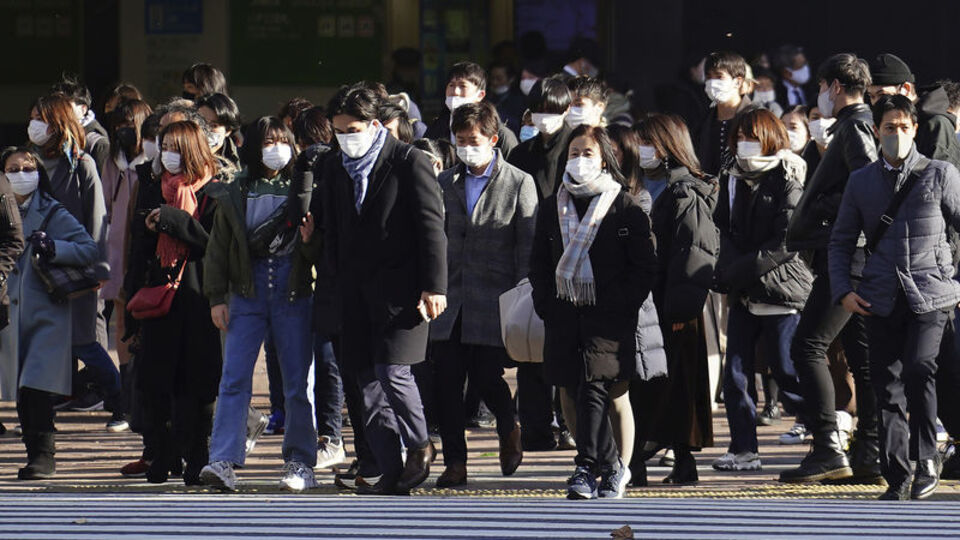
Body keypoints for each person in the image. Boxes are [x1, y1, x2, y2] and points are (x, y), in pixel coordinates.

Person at [829, 95, 960, 500]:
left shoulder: (940, 173)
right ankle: (897, 474)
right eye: (889, 127)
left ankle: (927, 459)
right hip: (879, 294)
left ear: (915, 129)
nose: (897, 134)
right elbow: (841, 240)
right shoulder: (861, 181)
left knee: (920, 368)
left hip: (931, 292)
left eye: (904, 127)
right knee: (886, 386)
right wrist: (843, 290)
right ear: (876, 130)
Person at [319, 83, 446, 495]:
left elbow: (431, 227)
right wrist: (332, 282)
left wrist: (434, 286)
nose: (346, 138)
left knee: (393, 371)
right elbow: (332, 229)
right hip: (353, 292)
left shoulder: (408, 161)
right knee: (365, 382)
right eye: (339, 131)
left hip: (402, 290)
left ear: (375, 125)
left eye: (353, 130)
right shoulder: (334, 166)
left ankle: (420, 444)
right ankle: (389, 468)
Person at [529, 124, 657, 499]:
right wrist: (546, 303)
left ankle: (589, 466)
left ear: (604, 159)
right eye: (574, 153)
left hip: (609, 318)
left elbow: (644, 266)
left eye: (588, 153)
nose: (580, 160)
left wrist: (620, 303)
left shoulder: (624, 206)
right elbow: (538, 263)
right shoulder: (552, 206)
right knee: (571, 388)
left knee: (597, 389)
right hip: (563, 314)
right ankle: (610, 465)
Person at [200, 116, 320, 492]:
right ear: (253, 147)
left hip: (294, 291)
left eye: (282, 140)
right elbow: (218, 248)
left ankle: (301, 462)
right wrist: (217, 298)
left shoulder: (305, 186)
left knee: (298, 382)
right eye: (268, 142)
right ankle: (223, 459)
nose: (276, 148)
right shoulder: (236, 188)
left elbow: (319, 249)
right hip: (245, 291)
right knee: (234, 379)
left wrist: (310, 240)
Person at [781, 53, 878, 484]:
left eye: (822, 86)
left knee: (807, 345)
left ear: (835, 86)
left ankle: (827, 448)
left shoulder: (855, 126)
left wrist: (824, 207)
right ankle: (870, 452)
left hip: (848, 256)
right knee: (861, 357)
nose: (820, 94)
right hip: (855, 254)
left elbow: (870, 183)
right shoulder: (857, 124)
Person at [430, 102, 536, 487]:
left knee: (486, 376)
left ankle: (508, 426)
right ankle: (456, 462)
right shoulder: (445, 183)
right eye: (460, 141)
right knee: (447, 380)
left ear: (492, 139)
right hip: (450, 297)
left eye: (473, 141)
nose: (466, 148)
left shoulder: (518, 182)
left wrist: (523, 291)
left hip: (495, 297)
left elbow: (527, 244)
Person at [712, 109, 813, 472]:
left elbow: (785, 241)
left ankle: (826, 431)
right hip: (743, 291)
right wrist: (729, 268)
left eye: (751, 138)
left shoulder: (788, 176)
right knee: (736, 375)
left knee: (787, 371)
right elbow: (721, 227)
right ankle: (743, 449)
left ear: (771, 138)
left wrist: (739, 269)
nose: (744, 145)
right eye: (739, 138)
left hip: (780, 289)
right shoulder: (732, 178)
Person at [125, 120, 223, 485]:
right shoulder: (155, 188)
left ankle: (197, 455)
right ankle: (162, 453)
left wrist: (174, 220)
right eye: (164, 147)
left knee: (196, 383)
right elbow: (138, 248)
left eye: (175, 149)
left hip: (198, 297)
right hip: (159, 296)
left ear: (193, 151)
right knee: (155, 380)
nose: (167, 155)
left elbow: (213, 244)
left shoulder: (215, 191)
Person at [27, 94, 120, 430]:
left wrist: (99, 267)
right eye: (33, 117)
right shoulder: (28, 163)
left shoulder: (82, 163)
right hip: (35, 267)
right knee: (41, 343)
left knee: (84, 342)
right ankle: (39, 418)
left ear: (58, 122)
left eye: (41, 118)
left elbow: (97, 219)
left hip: (74, 263)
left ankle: (121, 402)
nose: (34, 125)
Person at [636, 114, 719, 485]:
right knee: (660, 382)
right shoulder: (642, 183)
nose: (641, 150)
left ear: (667, 146)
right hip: (648, 299)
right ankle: (671, 459)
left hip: (674, 301)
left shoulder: (685, 191)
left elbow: (694, 250)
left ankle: (656, 455)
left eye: (647, 143)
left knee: (674, 382)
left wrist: (681, 307)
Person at [0, 147, 91, 480]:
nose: (21, 175)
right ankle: (34, 454)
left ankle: (43, 455)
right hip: (8, 311)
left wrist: (54, 247)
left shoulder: (52, 211)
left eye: (28, 168)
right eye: (13, 169)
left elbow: (88, 248)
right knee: (22, 390)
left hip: (46, 312)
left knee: (36, 386)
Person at [508, 76, 575, 451]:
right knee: (531, 344)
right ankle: (535, 425)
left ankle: (568, 421)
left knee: (567, 344)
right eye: (538, 110)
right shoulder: (522, 154)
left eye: (552, 111)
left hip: (573, 254)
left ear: (566, 110)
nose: (544, 117)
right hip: (533, 257)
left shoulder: (579, 147)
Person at [100, 98, 153, 429]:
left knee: (148, 324)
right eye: (117, 125)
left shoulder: (155, 161)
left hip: (145, 251)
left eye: (127, 125)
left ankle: (145, 399)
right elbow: (105, 206)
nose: (121, 131)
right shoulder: (112, 161)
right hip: (117, 253)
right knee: (121, 324)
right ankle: (127, 401)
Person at [866, 54, 960, 169]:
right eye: (871, 96)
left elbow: (939, 176)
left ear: (906, 88)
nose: (876, 102)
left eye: (882, 95)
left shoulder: (936, 124)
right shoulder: (881, 121)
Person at [424, 62, 518, 157]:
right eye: (451, 85)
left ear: (480, 95)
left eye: (462, 86)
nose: (455, 92)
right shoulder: (437, 127)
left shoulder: (500, 134)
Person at [697, 51, 756, 176]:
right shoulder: (703, 119)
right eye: (708, 77)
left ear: (738, 82)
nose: (712, 82)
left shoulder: (756, 117)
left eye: (719, 77)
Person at [51, 75, 111, 176]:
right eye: (56, 106)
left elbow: (104, 183)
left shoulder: (98, 144)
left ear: (83, 109)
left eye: (67, 106)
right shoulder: (54, 136)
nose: (60, 111)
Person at [196, 93, 243, 172]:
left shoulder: (241, 160)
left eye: (213, 125)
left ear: (228, 131)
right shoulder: (179, 159)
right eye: (200, 123)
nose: (205, 130)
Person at [486, 61, 526, 135]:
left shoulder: (520, 100)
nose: (494, 82)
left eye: (499, 78)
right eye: (492, 78)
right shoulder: (485, 97)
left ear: (511, 79)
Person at [773, 45, 814, 109]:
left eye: (805, 64)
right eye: (799, 67)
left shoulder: (811, 90)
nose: (805, 69)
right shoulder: (775, 92)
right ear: (786, 72)